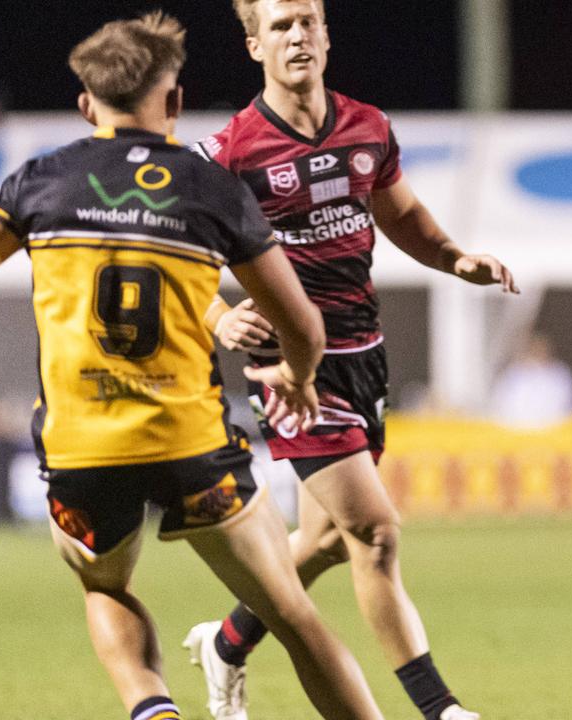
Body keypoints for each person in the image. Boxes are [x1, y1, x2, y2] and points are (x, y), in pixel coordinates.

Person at [0, 13, 389, 720]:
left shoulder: (39, 182)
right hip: (192, 444)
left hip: (83, 448)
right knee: (291, 615)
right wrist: (300, 373)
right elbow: (302, 326)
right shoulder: (211, 187)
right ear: (174, 101)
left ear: (86, 104)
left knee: (105, 587)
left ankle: (153, 708)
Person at [184, 2, 517, 719]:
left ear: (328, 35)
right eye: (280, 26)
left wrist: (457, 259)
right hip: (290, 370)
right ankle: (440, 707)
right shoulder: (232, 150)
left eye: (308, 21)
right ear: (253, 45)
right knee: (375, 531)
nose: (298, 35)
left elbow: (401, 217)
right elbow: (179, 254)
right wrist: (219, 315)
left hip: (365, 356)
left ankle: (228, 642)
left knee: (331, 540)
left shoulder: (369, 126)